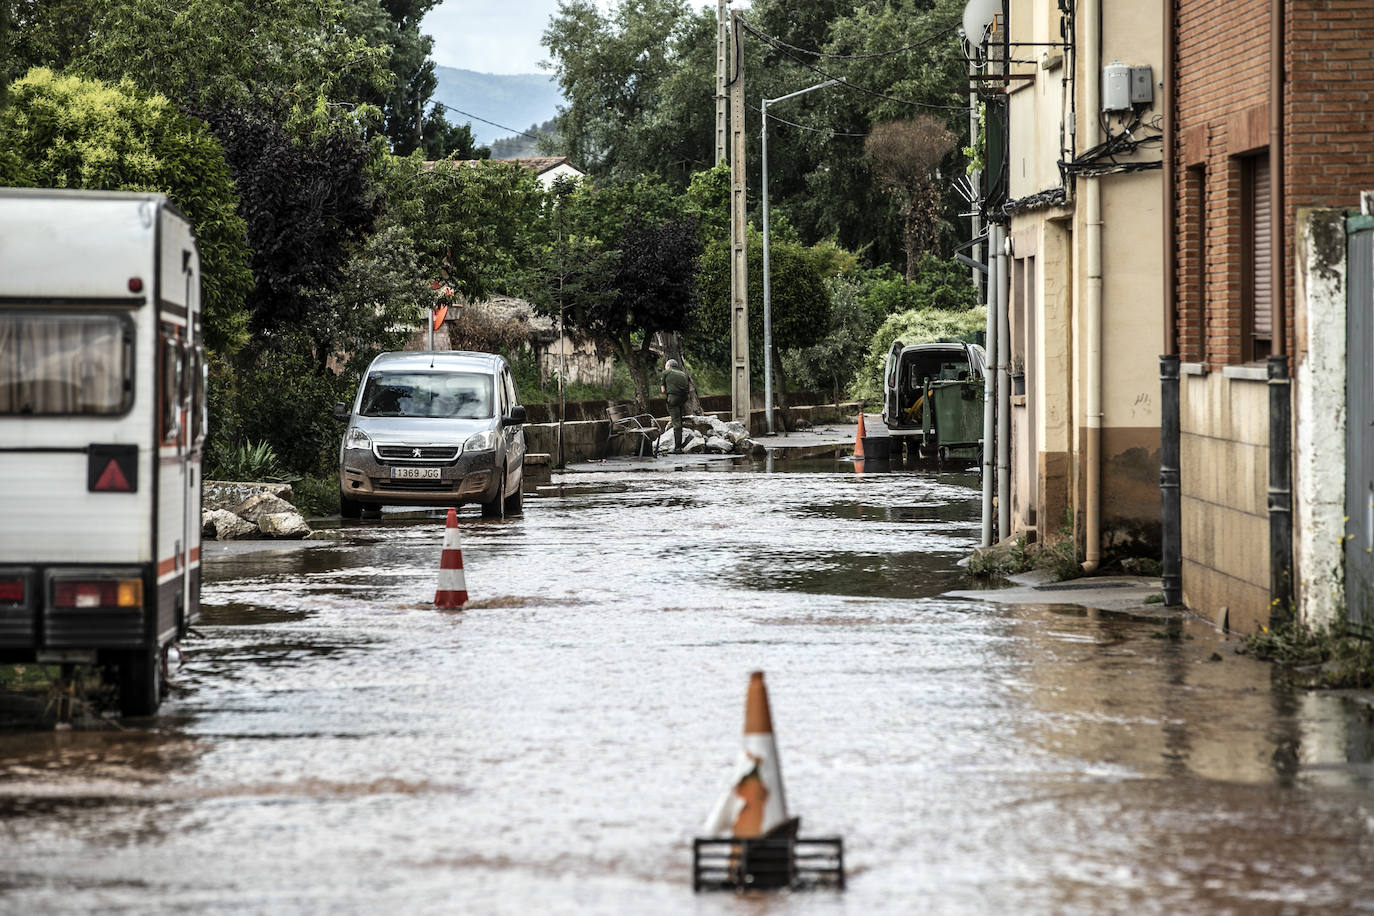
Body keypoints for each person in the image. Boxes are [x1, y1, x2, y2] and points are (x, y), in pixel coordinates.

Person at [660, 358, 691, 453]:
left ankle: (678, 448)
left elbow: (663, 390)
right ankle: (679, 442)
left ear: (668, 366)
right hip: (683, 398)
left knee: (676, 422)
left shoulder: (666, 372)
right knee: (678, 419)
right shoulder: (683, 374)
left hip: (673, 399)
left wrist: (669, 394)